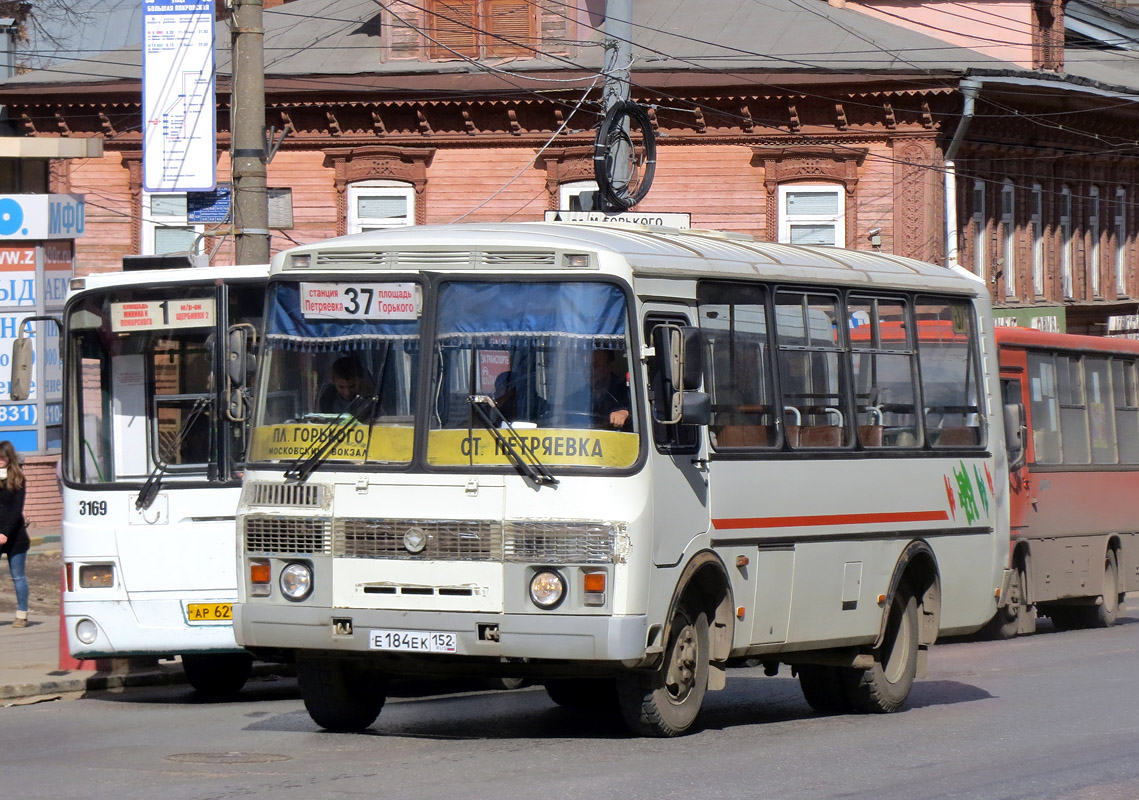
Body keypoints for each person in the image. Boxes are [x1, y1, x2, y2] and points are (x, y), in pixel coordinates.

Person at [0, 441, 29, 628]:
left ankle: (22, 614)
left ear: (9, 458)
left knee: (18, 576)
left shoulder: (18, 479)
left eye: (2, 458)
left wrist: (4, 532)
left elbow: (16, 510)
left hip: (15, 537)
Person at [585, 349, 630, 430]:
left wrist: (625, 413)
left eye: (595, 366)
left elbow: (640, 413)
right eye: (587, 366)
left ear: (609, 367)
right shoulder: (577, 396)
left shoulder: (626, 391)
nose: (589, 371)